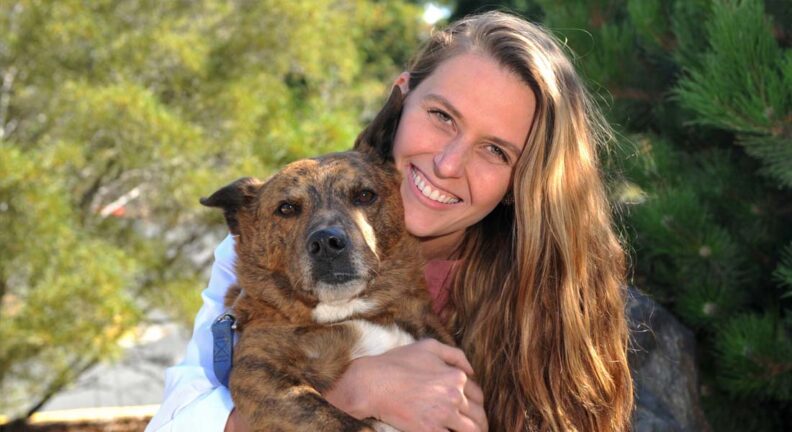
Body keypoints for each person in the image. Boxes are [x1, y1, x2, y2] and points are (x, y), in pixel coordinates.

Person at [147, 10, 633, 432]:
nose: (447, 163)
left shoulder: (548, 294)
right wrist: (359, 389)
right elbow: (181, 417)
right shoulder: (271, 251)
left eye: (494, 150)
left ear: (523, 181)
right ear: (401, 102)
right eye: (442, 115)